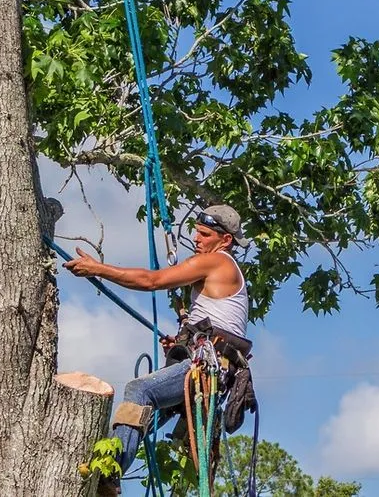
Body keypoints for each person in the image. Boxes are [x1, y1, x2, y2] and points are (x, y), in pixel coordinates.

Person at [63, 204, 251, 493]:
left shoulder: (218, 261)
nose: (197, 239)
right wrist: (181, 343)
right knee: (140, 417)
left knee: (140, 390)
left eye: (204, 234)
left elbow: (153, 281)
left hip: (206, 368)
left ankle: (108, 475)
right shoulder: (222, 267)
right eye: (196, 232)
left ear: (225, 240)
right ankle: (101, 460)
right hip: (207, 365)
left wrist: (98, 269)